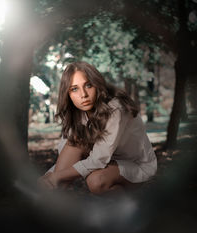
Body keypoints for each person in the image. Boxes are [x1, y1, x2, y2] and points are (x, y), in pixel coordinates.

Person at [38, 61, 157, 195]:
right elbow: (66, 154)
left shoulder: (116, 108)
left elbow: (98, 159)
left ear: (97, 84)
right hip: (107, 159)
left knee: (96, 181)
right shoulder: (77, 112)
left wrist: (56, 177)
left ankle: (127, 205)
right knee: (73, 142)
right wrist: (48, 177)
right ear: (68, 94)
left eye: (88, 85)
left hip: (134, 164)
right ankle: (52, 201)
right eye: (74, 89)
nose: (83, 95)